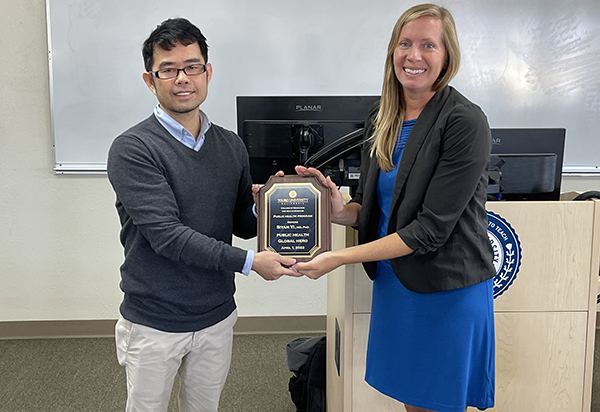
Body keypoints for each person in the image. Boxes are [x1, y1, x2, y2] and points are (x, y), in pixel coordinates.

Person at [295, 4, 495, 412]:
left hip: (446, 287)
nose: (414, 56)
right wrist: (338, 211)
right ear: (392, 51)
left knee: (437, 401)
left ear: (447, 55)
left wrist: (337, 258)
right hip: (396, 282)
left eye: (427, 45)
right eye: (405, 43)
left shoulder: (464, 121)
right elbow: (373, 208)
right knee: (411, 400)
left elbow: (428, 230)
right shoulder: (381, 117)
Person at [107, 18, 300, 412]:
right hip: (154, 320)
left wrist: (271, 204)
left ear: (207, 72)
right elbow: (168, 236)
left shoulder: (231, 145)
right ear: (150, 80)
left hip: (216, 314)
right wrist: (250, 263)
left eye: (192, 66)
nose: (182, 78)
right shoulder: (133, 149)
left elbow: (241, 226)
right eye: (169, 69)